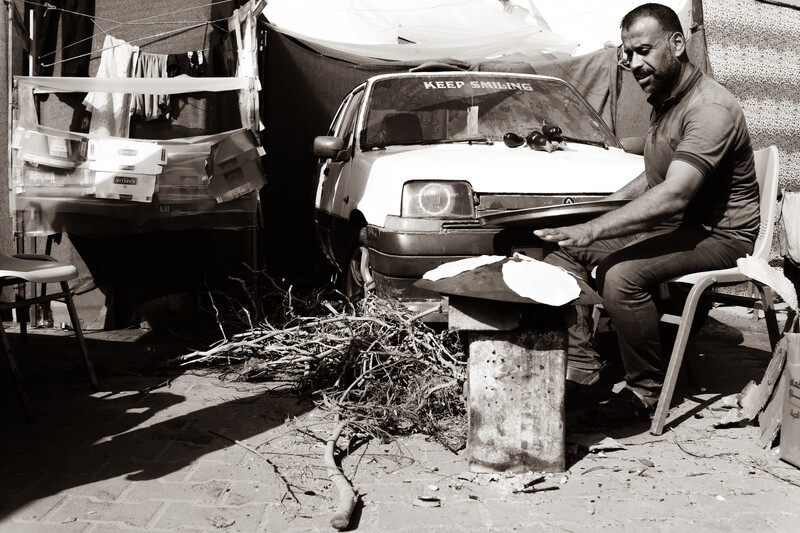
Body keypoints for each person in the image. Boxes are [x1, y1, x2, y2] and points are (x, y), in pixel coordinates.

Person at [534, 3, 760, 426]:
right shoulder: (668, 97)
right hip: (681, 224)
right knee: (563, 253)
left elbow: (674, 194)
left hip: (721, 235)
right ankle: (584, 364)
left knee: (622, 277)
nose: (634, 64)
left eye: (642, 50)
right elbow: (652, 177)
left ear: (676, 44)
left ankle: (646, 391)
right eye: (627, 54)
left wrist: (595, 228)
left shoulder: (709, 108)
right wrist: (590, 215)